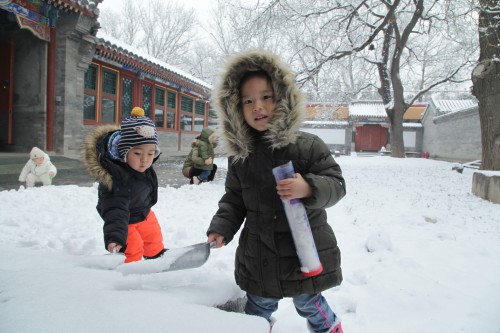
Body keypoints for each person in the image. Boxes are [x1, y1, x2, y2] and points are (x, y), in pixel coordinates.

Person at [206, 50, 346, 333]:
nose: (258, 106)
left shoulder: (308, 146)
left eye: (266, 97)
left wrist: (308, 187)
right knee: (257, 306)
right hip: (260, 254)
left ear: (283, 98)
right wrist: (222, 226)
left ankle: (329, 328)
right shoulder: (241, 157)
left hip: (302, 252)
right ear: (235, 109)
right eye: (248, 101)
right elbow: (234, 199)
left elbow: (336, 184)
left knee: (308, 301)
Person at [83, 107, 167, 263]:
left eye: (151, 153)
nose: (145, 160)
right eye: (137, 153)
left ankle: (156, 256)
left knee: (153, 236)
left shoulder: (143, 168)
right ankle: (129, 268)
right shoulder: (116, 178)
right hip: (123, 219)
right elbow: (115, 210)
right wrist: (115, 237)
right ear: (123, 152)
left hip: (142, 212)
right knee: (132, 248)